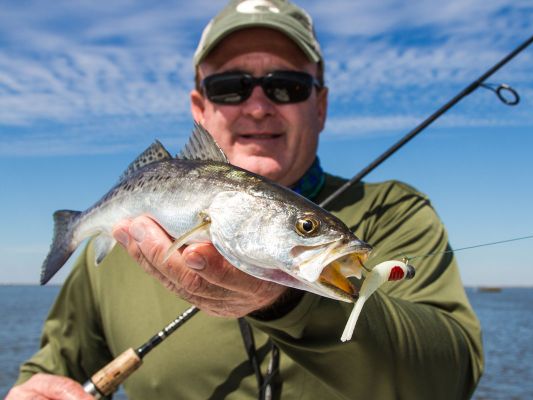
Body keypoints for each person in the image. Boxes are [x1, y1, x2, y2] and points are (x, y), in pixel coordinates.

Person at [9, 1, 483, 399]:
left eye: (287, 86)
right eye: (230, 87)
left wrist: (287, 301)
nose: (258, 107)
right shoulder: (126, 238)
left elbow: (450, 377)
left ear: (320, 106)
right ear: (200, 108)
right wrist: (37, 388)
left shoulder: (396, 213)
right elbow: (54, 363)